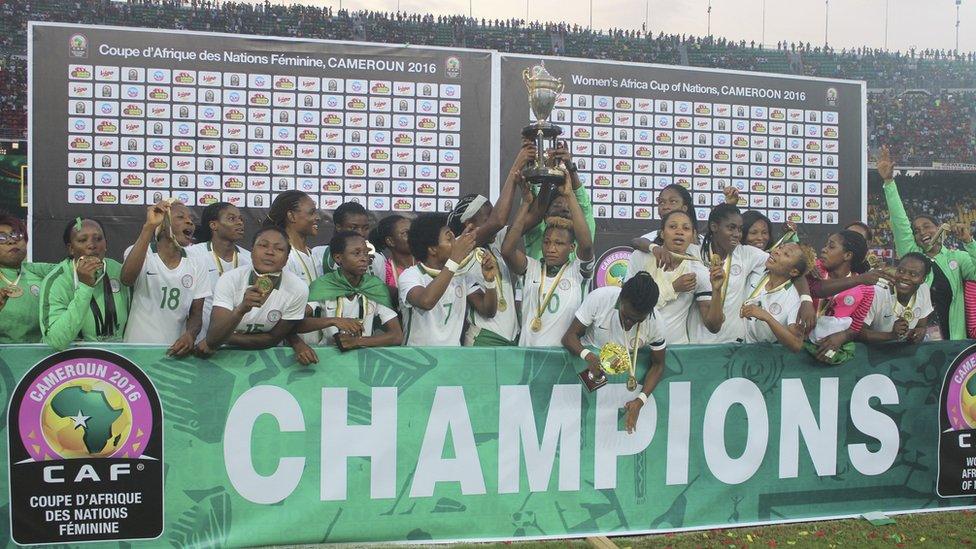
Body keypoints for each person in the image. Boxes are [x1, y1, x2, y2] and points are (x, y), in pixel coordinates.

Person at [879, 145, 976, 340]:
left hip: (952, 341)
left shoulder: (958, 257)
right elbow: (899, 221)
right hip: (914, 340)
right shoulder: (912, 255)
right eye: (916, 231)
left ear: (939, 227)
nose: (922, 232)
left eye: (927, 226)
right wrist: (889, 182)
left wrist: (969, 241)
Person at [561, 272, 667, 434]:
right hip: (586, 377)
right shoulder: (600, 299)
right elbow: (569, 337)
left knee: (603, 435)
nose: (629, 324)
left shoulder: (655, 322)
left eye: (638, 320)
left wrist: (640, 401)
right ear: (621, 298)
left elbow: (658, 365)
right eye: (627, 316)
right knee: (577, 430)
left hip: (618, 392)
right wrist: (588, 356)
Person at [502, 167, 594, 347]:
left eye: (559, 244)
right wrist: (526, 204)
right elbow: (507, 250)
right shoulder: (532, 268)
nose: (551, 248)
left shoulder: (579, 272)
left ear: (571, 247)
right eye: (547, 242)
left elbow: (588, 245)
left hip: (564, 359)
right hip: (529, 358)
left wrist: (569, 196)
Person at [447, 146, 525, 346]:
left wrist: (533, 194)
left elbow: (529, 220)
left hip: (511, 338)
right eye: (486, 217)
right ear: (468, 224)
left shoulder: (495, 241)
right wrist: (515, 168)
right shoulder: (460, 246)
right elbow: (498, 221)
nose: (493, 221)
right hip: (484, 338)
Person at [199, 227, 309, 355]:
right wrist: (241, 310)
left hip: (269, 360)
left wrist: (224, 338)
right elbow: (213, 337)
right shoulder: (230, 279)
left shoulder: (298, 289)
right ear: (251, 251)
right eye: (263, 245)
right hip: (223, 356)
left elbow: (273, 339)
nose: (270, 252)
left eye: (279, 249)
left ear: (287, 258)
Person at [121, 200, 210, 356]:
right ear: (163, 226)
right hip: (136, 351)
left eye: (191, 218)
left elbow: (196, 314)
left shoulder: (198, 263)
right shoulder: (141, 252)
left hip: (174, 353)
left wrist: (190, 335)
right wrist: (149, 226)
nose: (189, 221)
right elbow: (126, 279)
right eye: (180, 217)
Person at [626, 210, 726, 344]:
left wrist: (717, 290)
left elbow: (714, 327)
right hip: (636, 345)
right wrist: (672, 288)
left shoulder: (698, 271)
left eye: (686, 228)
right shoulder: (641, 257)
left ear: (693, 236)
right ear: (662, 233)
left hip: (675, 350)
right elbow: (626, 304)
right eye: (673, 227)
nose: (679, 232)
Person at [398, 213, 496, 346]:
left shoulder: (461, 274)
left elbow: (488, 310)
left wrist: (490, 282)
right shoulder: (410, 276)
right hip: (418, 360)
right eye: (449, 239)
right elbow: (427, 301)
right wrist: (455, 259)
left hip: (452, 359)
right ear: (433, 249)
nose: (456, 243)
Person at [40, 218, 130, 350]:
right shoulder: (57, 280)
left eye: (98, 239)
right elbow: (55, 341)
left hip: (117, 363)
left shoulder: (120, 272)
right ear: (71, 248)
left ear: (106, 244)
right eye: (82, 240)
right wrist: (85, 287)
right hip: (72, 365)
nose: (92, 245)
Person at [306, 231, 403, 348]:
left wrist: (357, 342)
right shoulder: (324, 285)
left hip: (364, 359)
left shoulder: (373, 286)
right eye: (357, 253)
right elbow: (296, 322)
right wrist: (334, 321)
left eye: (366, 253)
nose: (364, 259)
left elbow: (396, 335)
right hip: (327, 358)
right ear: (338, 258)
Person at [806, 230, 876, 364]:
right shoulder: (814, 269)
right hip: (799, 341)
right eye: (826, 245)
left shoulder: (866, 289)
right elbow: (817, 290)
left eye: (831, 246)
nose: (823, 249)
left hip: (831, 346)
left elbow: (856, 326)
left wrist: (840, 338)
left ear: (847, 255)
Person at [187, 201, 252, 342]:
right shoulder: (192, 255)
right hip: (198, 341)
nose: (239, 223)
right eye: (231, 219)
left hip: (236, 342)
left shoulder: (250, 260)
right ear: (213, 225)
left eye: (240, 218)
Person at [265, 190, 321, 349]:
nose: (317, 217)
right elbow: (277, 313)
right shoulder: (283, 258)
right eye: (312, 212)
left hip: (319, 348)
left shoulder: (313, 255)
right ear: (291, 216)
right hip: (290, 352)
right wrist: (319, 301)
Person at [521, 142, 595, 263]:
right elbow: (532, 203)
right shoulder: (537, 232)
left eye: (569, 207)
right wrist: (543, 171)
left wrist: (569, 166)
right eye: (557, 205)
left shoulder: (581, 237)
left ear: (572, 247)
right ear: (545, 214)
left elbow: (584, 206)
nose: (564, 209)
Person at [740, 242, 817, 351]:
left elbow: (796, 344)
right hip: (732, 344)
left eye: (786, 254)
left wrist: (767, 318)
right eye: (780, 247)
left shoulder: (794, 299)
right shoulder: (755, 271)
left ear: (794, 271)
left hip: (761, 356)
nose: (777, 251)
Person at [0, 213, 57, 343]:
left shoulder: (42, 276)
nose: (11, 240)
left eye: (16, 235)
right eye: (1, 237)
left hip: (40, 359)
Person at [859, 252, 933, 344]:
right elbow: (857, 333)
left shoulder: (923, 289)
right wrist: (891, 336)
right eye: (901, 271)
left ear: (923, 279)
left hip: (903, 353)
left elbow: (921, 326)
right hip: (874, 352)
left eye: (913, 274)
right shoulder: (877, 291)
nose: (905, 277)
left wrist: (920, 332)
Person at [312, 201, 371, 275]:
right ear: (338, 227)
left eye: (365, 228)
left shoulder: (377, 259)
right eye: (353, 227)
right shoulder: (318, 254)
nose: (361, 233)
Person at [368, 214, 414, 303]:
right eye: (406, 233)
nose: (413, 236)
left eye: (414, 232)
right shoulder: (384, 270)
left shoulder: (426, 264)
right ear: (391, 241)